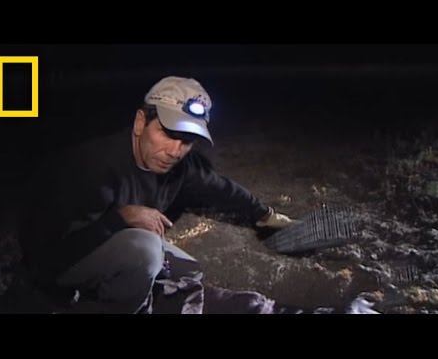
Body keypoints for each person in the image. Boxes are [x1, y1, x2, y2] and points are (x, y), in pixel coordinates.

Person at [19, 76, 295, 314]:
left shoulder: (180, 166)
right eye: (167, 133)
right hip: (59, 258)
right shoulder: (92, 169)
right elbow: (46, 257)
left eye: (186, 140)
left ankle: (115, 285)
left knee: (188, 271)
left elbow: (223, 189)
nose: (175, 151)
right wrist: (121, 218)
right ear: (140, 123)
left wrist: (266, 215)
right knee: (146, 252)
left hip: (113, 242)